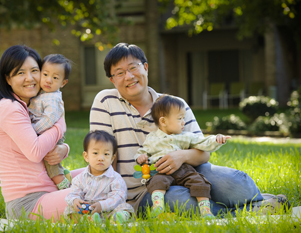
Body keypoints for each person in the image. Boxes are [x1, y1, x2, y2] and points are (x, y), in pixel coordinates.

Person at [89, 42, 289, 217]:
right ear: (112, 80)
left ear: (146, 67)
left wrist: (181, 157)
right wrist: (113, 200)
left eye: (133, 68)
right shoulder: (106, 101)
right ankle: (253, 210)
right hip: (143, 192)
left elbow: (203, 155)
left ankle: (260, 201)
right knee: (183, 202)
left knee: (236, 183)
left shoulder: (175, 105)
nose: (129, 77)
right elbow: (103, 154)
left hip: (188, 173)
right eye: (120, 73)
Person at [0, 45, 84, 221]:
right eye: (20, 73)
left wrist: (65, 149)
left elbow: (43, 144)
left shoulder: (28, 105)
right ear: (7, 79)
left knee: (103, 173)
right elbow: (35, 151)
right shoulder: (9, 108)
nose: (30, 78)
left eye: (34, 70)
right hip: (28, 202)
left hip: (47, 190)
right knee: (96, 190)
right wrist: (60, 125)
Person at [135, 94, 231, 218]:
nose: (183, 122)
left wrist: (216, 140)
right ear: (163, 121)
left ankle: (206, 211)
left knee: (200, 182)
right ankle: (157, 207)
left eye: (183, 118)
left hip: (185, 170)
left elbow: (203, 143)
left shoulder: (186, 136)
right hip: (162, 170)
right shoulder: (152, 139)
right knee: (156, 182)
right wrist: (140, 157)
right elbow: (143, 152)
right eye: (179, 118)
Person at [64, 130, 134, 223]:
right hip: (88, 210)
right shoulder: (80, 179)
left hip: (109, 210)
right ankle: (86, 220)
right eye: (95, 153)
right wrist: (75, 200)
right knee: (69, 210)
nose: (101, 158)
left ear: (112, 158)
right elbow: (73, 193)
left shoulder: (116, 178)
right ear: (86, 156)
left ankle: (115, 219)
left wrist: (102, 206)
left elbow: (119, 197)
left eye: (106, 154)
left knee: (127, 208)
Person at [28, 54, 72, 190]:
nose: (48, 80)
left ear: (63, 83)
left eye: (55, 78)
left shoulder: (53, 98)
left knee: (50, 161)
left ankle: (63, 185)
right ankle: (64, 172)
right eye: (45, 74)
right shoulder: (42, 92)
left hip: (49, 133)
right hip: (44, 131)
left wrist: (32, 130)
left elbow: (49, 120)